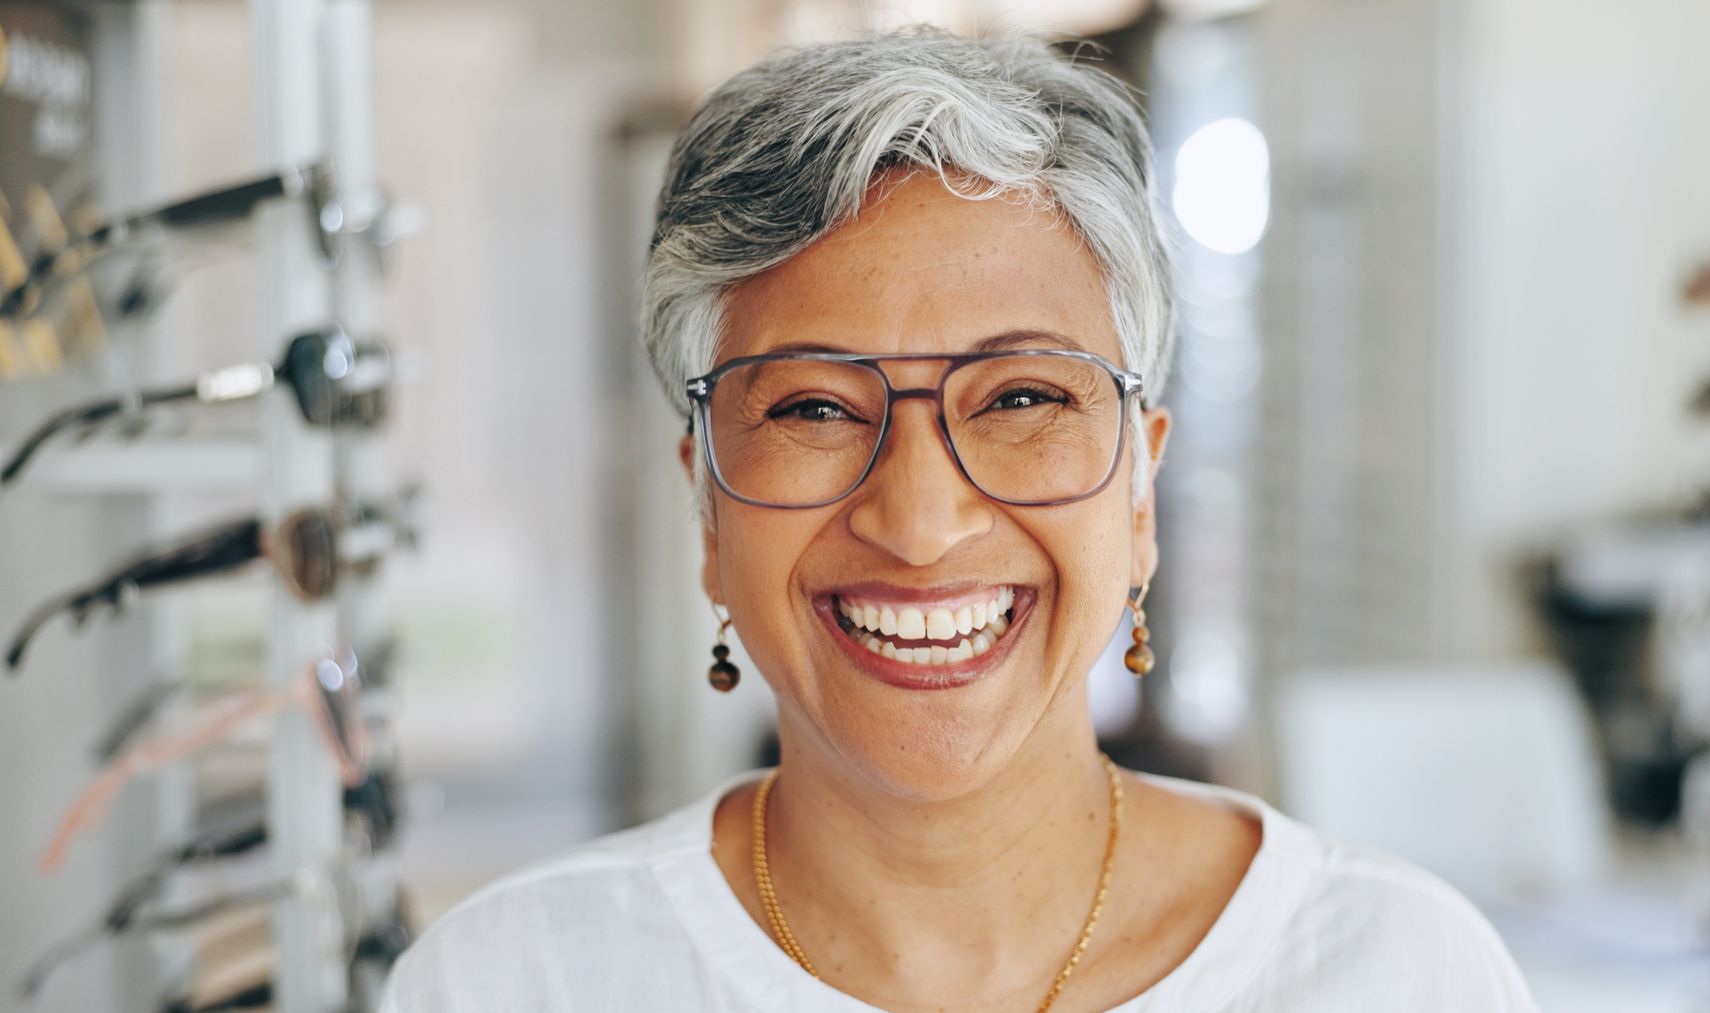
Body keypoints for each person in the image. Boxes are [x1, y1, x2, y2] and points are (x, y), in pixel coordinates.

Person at [381, 26, 1539, 1013]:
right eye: (816, 407)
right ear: (706, 507)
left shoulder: (1395, 971)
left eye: (1024, 397)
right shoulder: (511, 981)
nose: (920, 521)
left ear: (1141, 491)